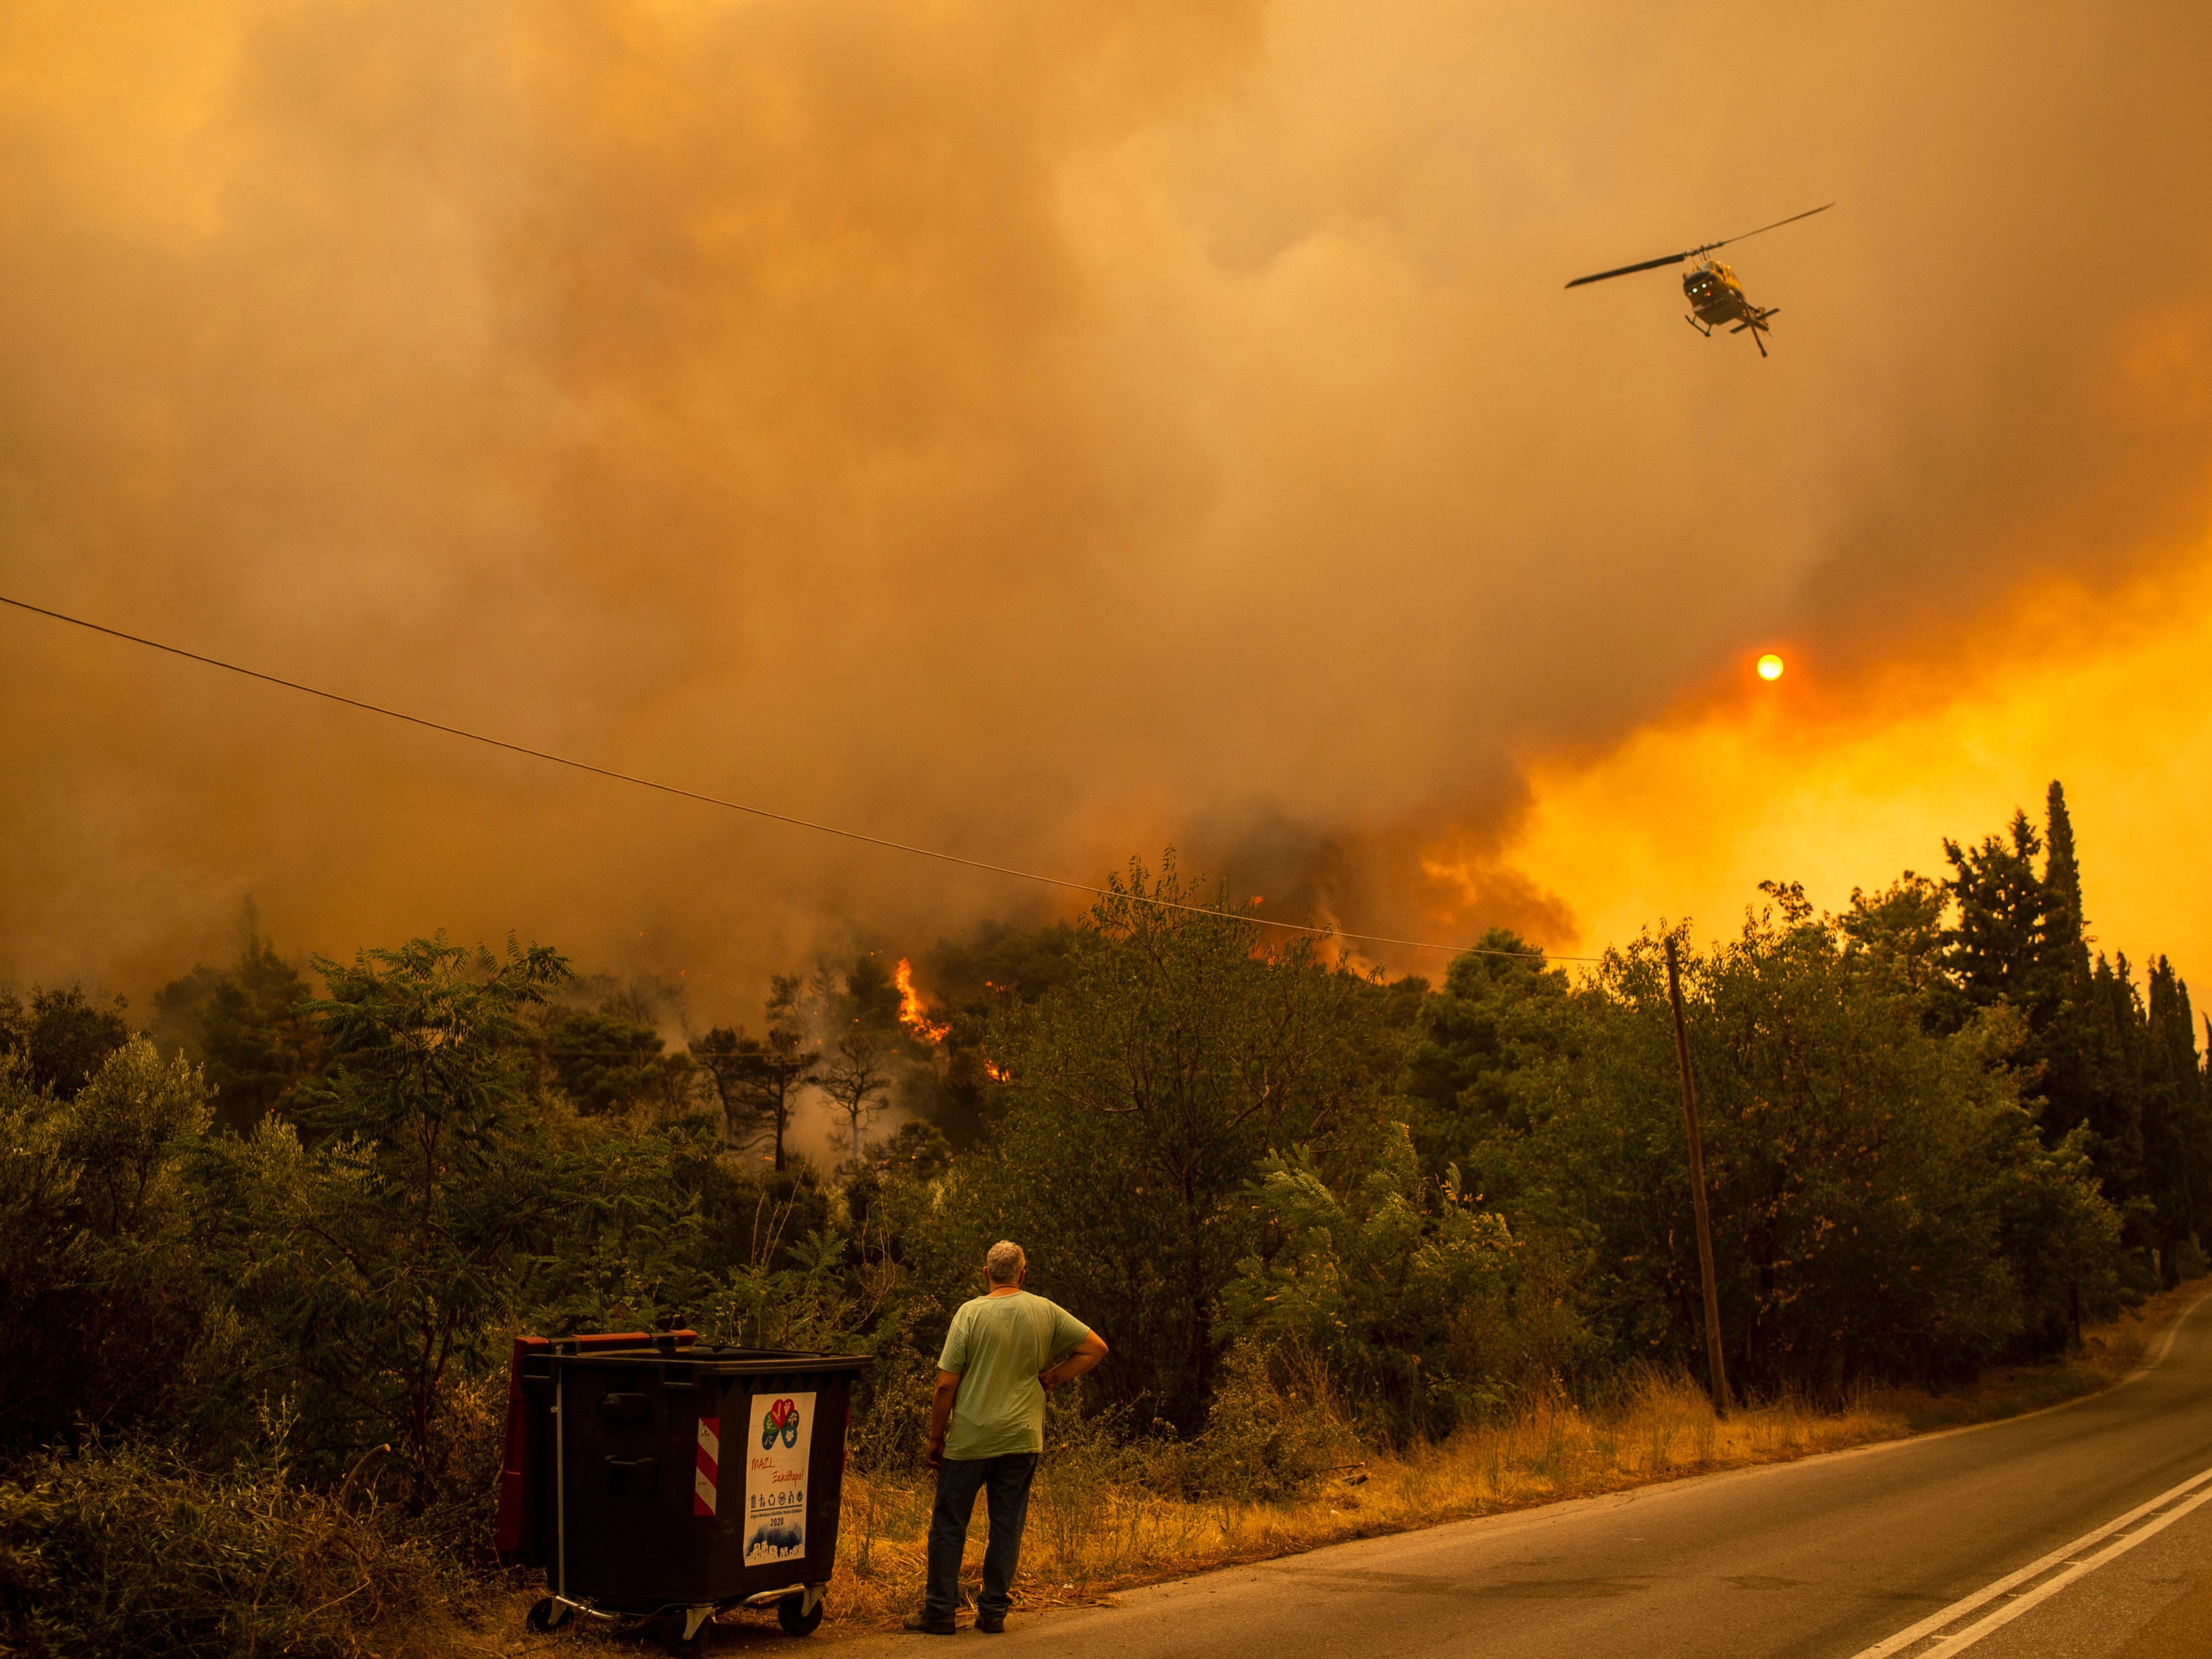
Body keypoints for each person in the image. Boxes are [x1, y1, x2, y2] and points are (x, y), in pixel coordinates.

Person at [904, 1241, 1108, 1635]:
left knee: (949, 1524)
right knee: (1006, 1524)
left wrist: (935, 1437)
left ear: (985, 1274)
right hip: (1021, 1437)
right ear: (1022, 1274)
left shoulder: (969, 1313)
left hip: (969, 1440)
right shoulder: (1044, 1309)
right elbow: (1095, 1348)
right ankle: (993, 1612)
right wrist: (1053, 1376)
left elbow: (945, 1385)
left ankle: (940, 1612)